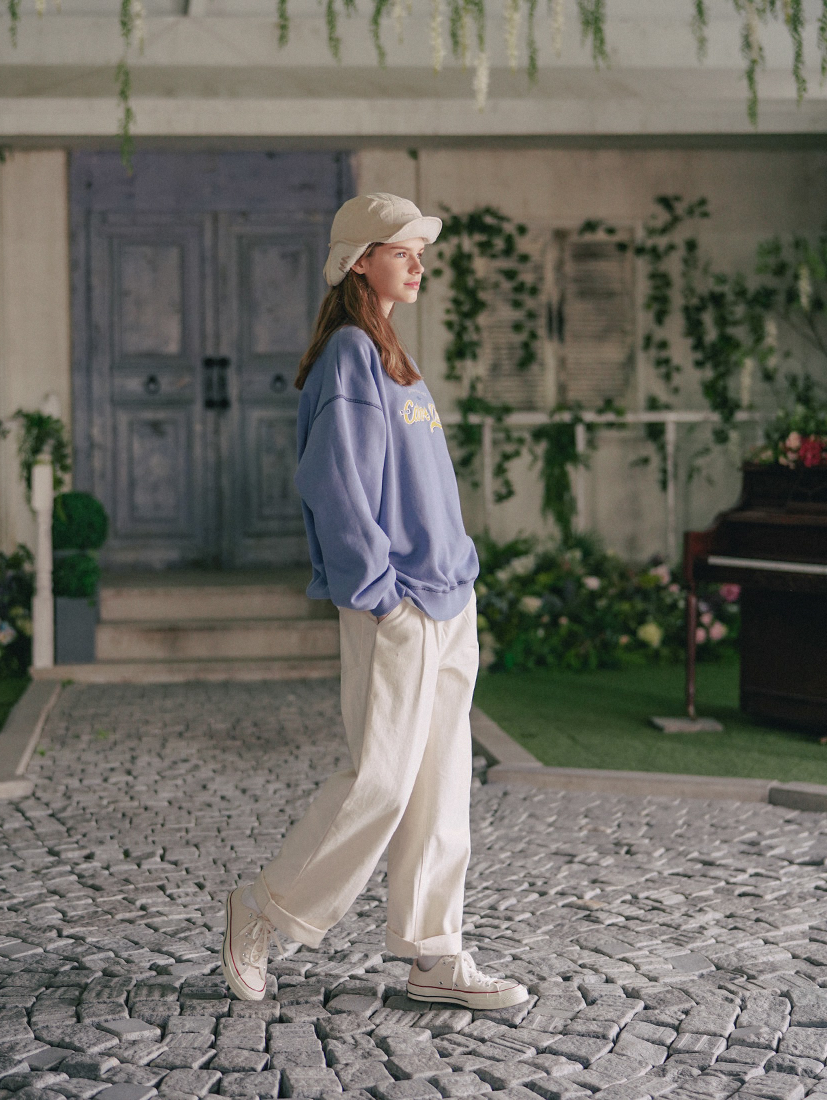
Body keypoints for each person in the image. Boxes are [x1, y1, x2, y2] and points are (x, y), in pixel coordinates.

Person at [222, 192, 528, 1011]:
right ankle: (262, 908)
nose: (418, 264)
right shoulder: (350, 355)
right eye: (401, 251)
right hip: (398, 604)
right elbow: (334, 484)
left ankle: (435, 954)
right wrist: (379, 597)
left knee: (441, 786)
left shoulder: (393, 354)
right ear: (360, 262)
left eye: (419, 251)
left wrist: (455, 577)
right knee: (381, 784)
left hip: (448, 597)